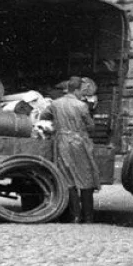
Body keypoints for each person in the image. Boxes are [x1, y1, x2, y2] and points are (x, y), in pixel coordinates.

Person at [39, 76, 100, 223]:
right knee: (86, 179)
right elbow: (91, 126)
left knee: (69, 179)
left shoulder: (55, 104)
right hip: (79, 143)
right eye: (81, 91)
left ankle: (76, 216)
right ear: (77, 90)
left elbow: (43, 115)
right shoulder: (81, 105)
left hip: (62, 143)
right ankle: (88, 217)